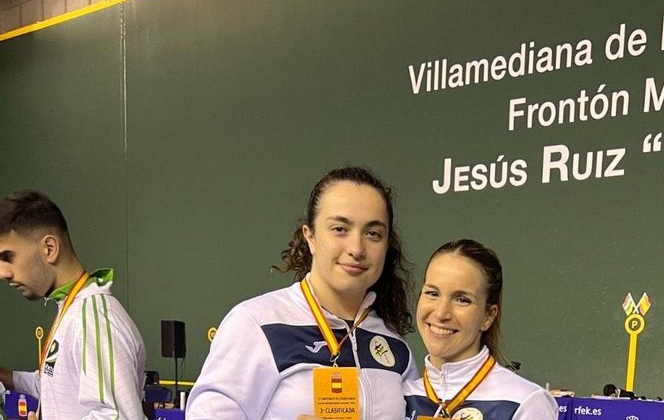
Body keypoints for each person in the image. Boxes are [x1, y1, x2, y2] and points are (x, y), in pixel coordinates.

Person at [187, 166, 417, 419]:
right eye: (340, 229)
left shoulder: (393, 342)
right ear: (311, 237)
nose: (356, 248)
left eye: (373, 233)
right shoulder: (257, 324)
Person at [0, 190, 147, 419]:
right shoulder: (72, 309)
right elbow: (56, 386)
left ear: (49, 248)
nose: (3, 273)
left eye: (8, 257)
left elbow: (117, 416)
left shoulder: (92, 318)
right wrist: (7, 377)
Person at [404, 239, 558, 419]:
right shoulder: (399, 396)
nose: (441, 313)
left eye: (462, 299)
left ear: (488, 316)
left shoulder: (525, 402)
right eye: (432, 293)